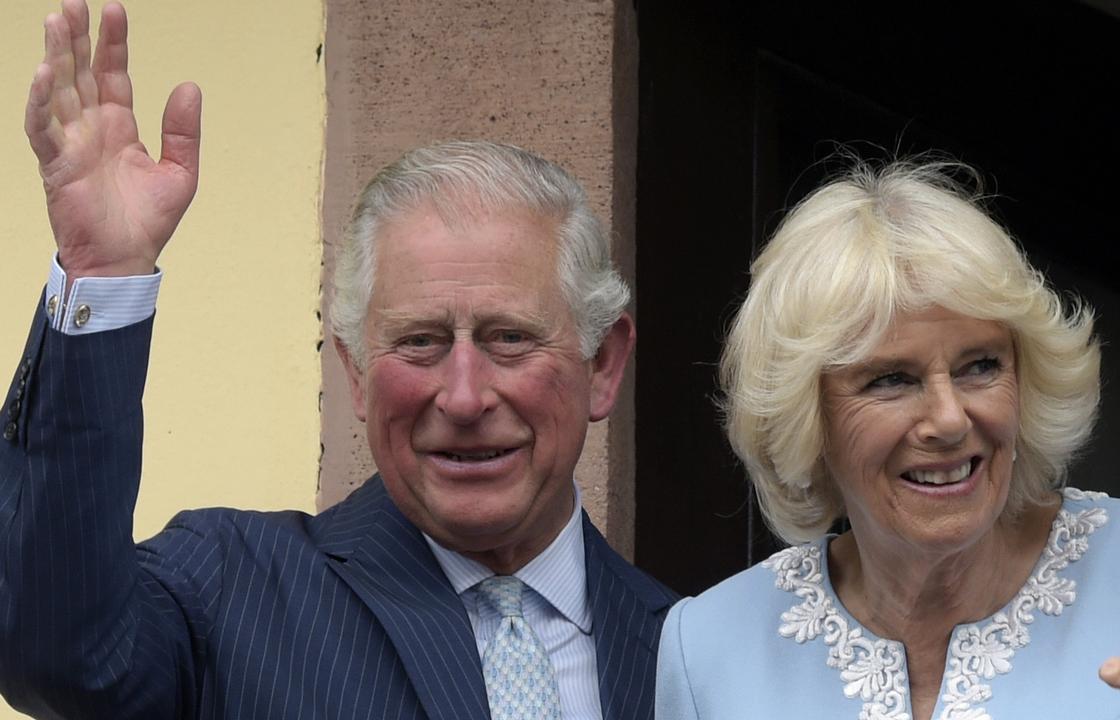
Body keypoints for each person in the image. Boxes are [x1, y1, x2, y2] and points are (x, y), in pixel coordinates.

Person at [0, 2, 676, 719]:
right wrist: (103, 276)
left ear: (603, 364)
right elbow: (58, 654)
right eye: (420, 341)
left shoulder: (689, 649)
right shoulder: (232, 588)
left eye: (510, 338)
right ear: (355, 373)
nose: (465, 396)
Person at [655, 160, 1120, 719]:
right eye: (891, 379)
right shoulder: (707, 646)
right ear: (806, 417)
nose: (949, 420)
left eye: (980, 365)